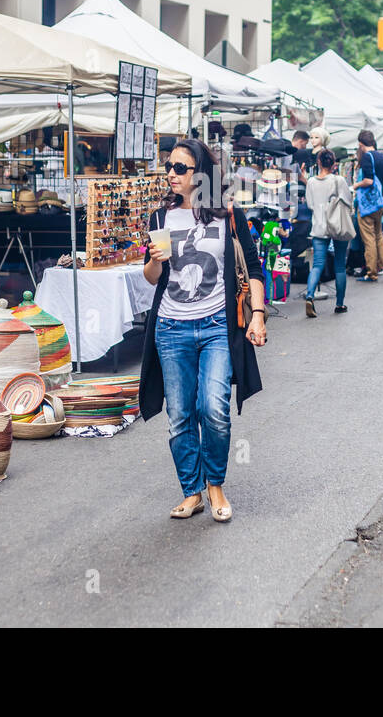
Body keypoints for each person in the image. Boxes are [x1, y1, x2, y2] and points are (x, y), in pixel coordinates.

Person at [140, 138, 267, 522]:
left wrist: (257, 315)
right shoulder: (160, 219)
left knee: (213, 410)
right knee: (180, 414)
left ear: (201, 174)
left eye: (180, 168)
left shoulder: (228, 215)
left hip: (216, 325)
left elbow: (254, 270)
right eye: (169, 167)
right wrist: (155, 261)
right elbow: (151, 278)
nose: (171, 175)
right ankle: (191, 490)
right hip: (171, 327)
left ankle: (215, 485)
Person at [303, 149, 353, 317]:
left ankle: (309, 295)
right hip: (337, 226)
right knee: (339, 265)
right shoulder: (339, 180)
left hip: (319, 226)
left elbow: (310, 204)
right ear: (333, 164)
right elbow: (348, 200)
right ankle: (339, 304)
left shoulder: (310, 182)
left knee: (317, 264)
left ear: (318, 162)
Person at [351, 130, 383, 282]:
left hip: (368, 205)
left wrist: (356, 185)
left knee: (369, 239)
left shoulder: (366, 158)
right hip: (380, 203)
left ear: (360, 144)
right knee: (379, 238)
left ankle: (372, 272)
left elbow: (369, 181)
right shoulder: (382, 157)